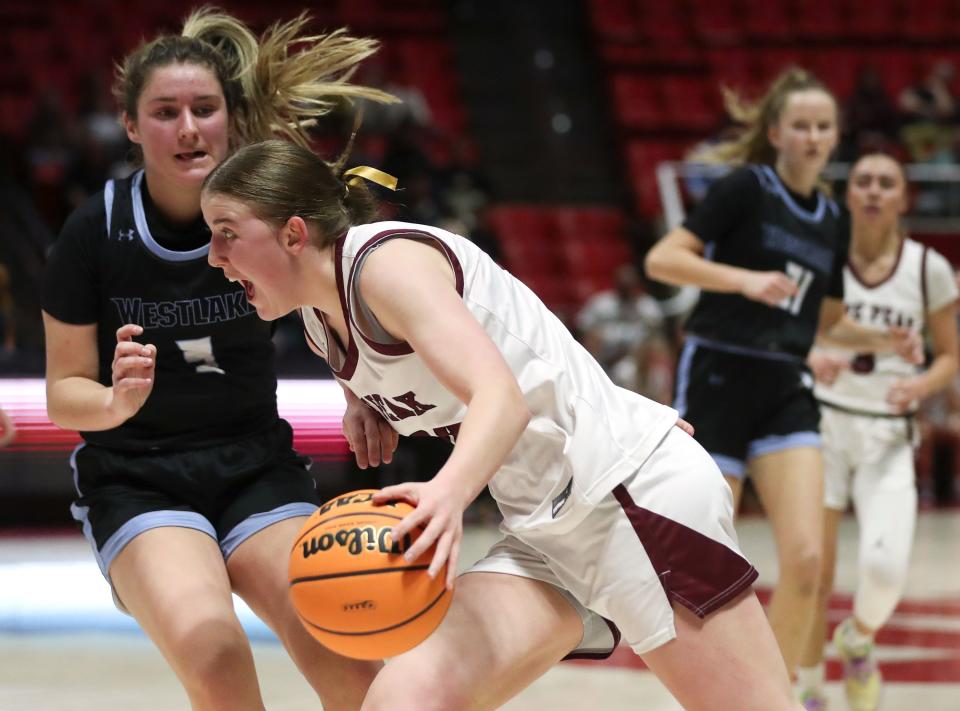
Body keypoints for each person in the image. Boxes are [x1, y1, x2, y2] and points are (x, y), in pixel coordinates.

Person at [200, 139, 804, 711]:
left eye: (227, 235)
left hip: (626, 497)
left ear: (294, 233)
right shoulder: (316, 316)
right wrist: (362, 402)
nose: (213, 256)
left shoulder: (387, 266)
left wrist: (445, 496)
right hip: (546, 531)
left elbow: (501, 396)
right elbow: (378, 361)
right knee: (403, 699)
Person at [41, 9, 396, 710]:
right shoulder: (94, 230)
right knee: (216, 655)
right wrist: (113, 403)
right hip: (139, 479)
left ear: (230, 118)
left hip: (254, 466)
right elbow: (62, 393)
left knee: (354, 659)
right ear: (133, 126)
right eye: (165, 112)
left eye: (203, 108)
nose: (188, 127)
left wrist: (363, 389)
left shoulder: (271, 213)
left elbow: (338, 305)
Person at [643, 68, 922, 690]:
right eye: (801, 125)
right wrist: (743, 280)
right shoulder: (748, 188)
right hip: (718, 373)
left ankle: (785, 693)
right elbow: (663, 259)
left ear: (835, 136)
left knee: (806, 561)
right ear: (776, 133)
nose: (814, 136)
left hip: (784, 388)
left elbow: (827, 320)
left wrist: (884, 338)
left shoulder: (831, 217)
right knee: (703, 560)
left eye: (824, 127)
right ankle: (701, 690)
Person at [798, 154, 959, 711]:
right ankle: (811, 686)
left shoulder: (927, 269)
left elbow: (950, 357)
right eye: (862, 181)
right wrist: (816, 355)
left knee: (885, 571)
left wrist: (920, 388)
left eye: (884, 183)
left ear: (903, 198)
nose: (872, 191)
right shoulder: (823, 258)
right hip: (820, 427)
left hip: (889, 434)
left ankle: (858, 639)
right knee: (811, 572)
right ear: (849, 195)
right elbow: (796, 334)